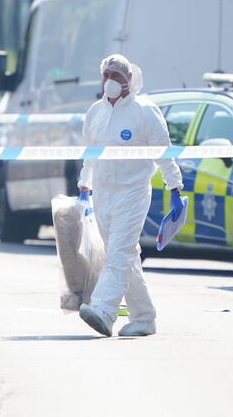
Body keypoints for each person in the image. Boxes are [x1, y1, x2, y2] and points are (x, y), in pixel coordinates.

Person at [77, 54, 184, 337]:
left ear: (130, 81)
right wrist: (84, 186)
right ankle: (143, 317)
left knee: (119, 253)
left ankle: (103, 309)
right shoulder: (94, 113)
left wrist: (175, 190)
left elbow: (164, 154)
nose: (111, 81)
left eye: (118, 77)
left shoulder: (144, 111)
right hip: (103, 194)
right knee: (125, 255)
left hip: (133, 193)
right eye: (107, 75)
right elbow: (90, 154)